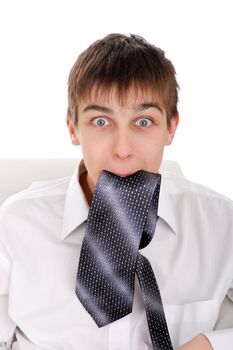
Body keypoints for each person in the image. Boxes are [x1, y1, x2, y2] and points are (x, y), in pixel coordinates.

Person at [0, 33, 233, 350]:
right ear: (73, 128)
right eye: (100, 121)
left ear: (171, 128)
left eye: (144, 122)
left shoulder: (220, 222)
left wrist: (212, 345)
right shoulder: (15, 224)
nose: (123, 150)